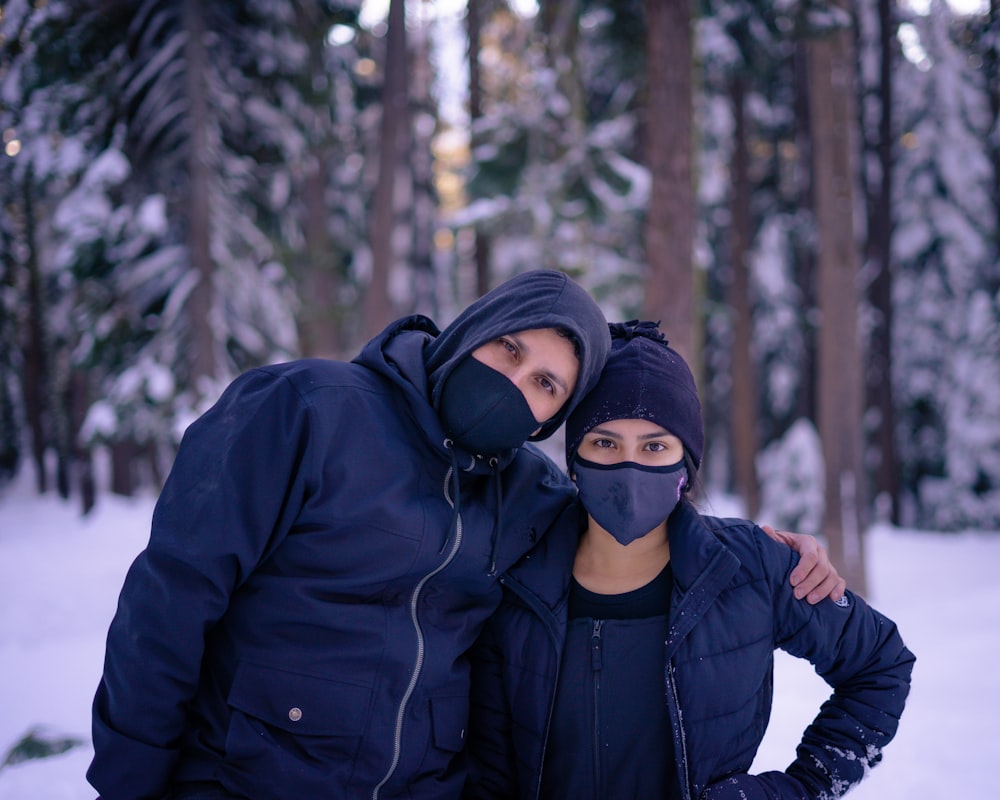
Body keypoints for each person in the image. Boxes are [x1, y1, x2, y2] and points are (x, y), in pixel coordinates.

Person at [87, 273, 838, 800]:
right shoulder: (306, 410)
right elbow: (167, 608)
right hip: (245, 780)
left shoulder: (529, 493)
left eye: (547, 384)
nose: (519, 383)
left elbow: (634, 514)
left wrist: (769, 551)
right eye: (511, 351)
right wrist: (131, 784)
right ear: (473, 330)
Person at [463, 321, 914, 800]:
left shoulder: (752, 567)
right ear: (574, 458)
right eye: (605, 442)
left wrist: (804, 788)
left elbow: (880, 665)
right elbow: (492, 770)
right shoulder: (517, 578)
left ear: (686, 464)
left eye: (654, 446)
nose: (628, 467)